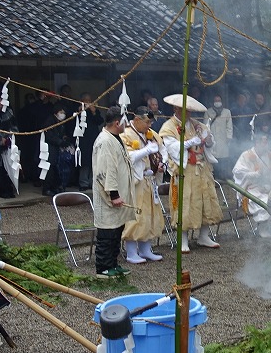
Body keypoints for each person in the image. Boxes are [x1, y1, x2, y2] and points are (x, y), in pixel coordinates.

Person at [159, 96, 222, 252]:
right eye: (185, 110)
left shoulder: (197, 125)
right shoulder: (168, 127)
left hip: (202, 168)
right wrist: (192, 141)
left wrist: (208, 141)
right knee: (184, 203)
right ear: (176, 109)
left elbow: (210, 143)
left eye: (190, 111)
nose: (188, 114)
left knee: (206, 200)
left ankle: (204, 236)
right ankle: (183, 239)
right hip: (184, 170)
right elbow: (172, 148)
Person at [92, 106, 136, 278]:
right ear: (117, 123)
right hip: (108, 196)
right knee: (107, 232)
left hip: (118, 193)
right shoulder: (105, 141)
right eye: (124, 122)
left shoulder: (115, 137)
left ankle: (113, 263)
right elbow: (107, 169)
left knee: (117, 231)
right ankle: (103, 268)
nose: (126, 125)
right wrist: (114, 194)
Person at [120, 106, 166, 264]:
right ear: (137, 119)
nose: (149, 125)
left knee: (150, 214)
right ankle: (132, 252)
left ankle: (146, 249)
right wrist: (146, 150)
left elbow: (162, 150)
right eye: (147, 122)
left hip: (149, 179)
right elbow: (126, 157)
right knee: (135, 215)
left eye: (151, 122)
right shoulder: (125, 134)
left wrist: (161, 165)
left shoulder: (151, 135)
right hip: (135, 181)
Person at [233, 131, 271, 235]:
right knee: (265, 202)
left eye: (267, 142)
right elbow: (237, 171)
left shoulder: (269, 155)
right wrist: (254, 174)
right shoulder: (246, 155)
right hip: (249, 188)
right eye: (263, 142)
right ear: (257, 143)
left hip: (265, 187)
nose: (266, 145)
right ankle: (262, 228)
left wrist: (270, 177)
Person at [41, 101, 76, 196]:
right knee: (50, 168)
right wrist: (59, 142)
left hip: (57, 147)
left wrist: (64, 138)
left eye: (64, 112)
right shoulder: (50, 121)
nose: (63, 114)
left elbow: (60, 133)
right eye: (61, 112)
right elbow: (49, 135)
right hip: (49, 148)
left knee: (57, 168)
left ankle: (55, 187)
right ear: (56, 112)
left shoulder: (60, 122)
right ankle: (46, 188)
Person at [0, 98, 20, 198]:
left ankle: (9, 189)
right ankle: (1, 190)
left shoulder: (9, 112)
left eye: (1, 100)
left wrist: (8, 138)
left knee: (10, 167)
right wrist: (0, 139)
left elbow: (14, 127)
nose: (0, 103)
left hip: (9, 143)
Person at [205, 93, 234, 174]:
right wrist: (208, 138)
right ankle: (214, 175)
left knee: (223, 158)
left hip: (223, 138)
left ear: (221, 102)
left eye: (219, 100)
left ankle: (222, 175)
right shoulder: (208, 112)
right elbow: (206, 126)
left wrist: (229, 137)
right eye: (215, 101)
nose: (217, 102)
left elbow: (229, 126)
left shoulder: (227, 112)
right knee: (213, 158)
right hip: (212, 139)